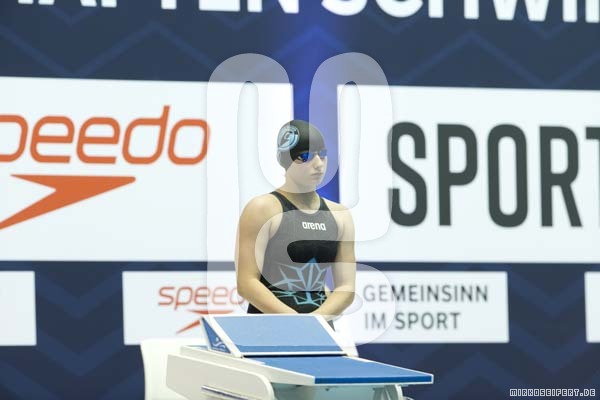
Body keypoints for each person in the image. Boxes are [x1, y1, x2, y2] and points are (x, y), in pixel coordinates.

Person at [235, 120, 356, 321]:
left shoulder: (340, 215)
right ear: (285, 160)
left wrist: (315, 321)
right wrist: (298, 323)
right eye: (305, 156)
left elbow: (346, 287)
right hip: (269, 332)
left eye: (322, 154)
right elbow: (247, 283)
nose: (318, 164)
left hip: (318, 328)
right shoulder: (262, 209)